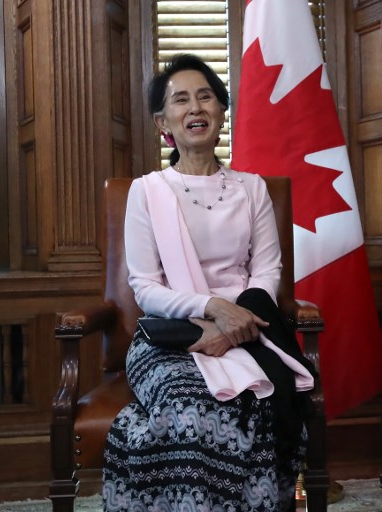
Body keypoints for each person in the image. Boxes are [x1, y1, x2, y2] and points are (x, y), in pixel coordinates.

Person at [102, 54, 316, 512]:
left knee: (250, 403)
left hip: (247, 332)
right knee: (188, 408)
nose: (195, 107)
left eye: (205, 97)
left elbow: (266, 274)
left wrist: (233, 325)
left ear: (221, 111)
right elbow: (145, 287)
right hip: (170, 338)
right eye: (180, 100)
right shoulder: (148, 191)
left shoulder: (251, 188)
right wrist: (213, 309)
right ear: (164, 121)